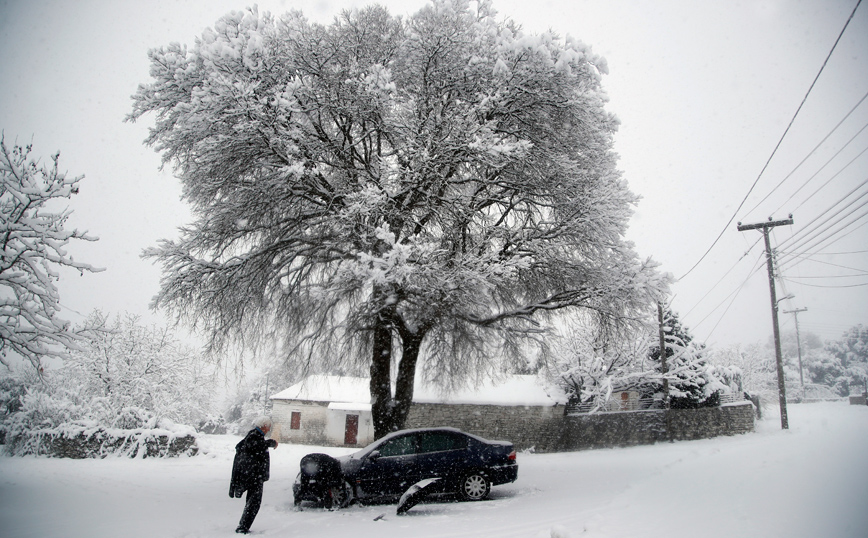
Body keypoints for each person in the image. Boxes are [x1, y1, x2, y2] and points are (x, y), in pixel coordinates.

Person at [230, 416, 279, 534]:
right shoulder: (254, 436)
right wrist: (270, 443)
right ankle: (243, 527)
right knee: (254, 502)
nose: (269, 429)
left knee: (253, 502)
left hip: (254, 475)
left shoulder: (256, 435)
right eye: (268, 427)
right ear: (264, 426)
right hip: (253, 476)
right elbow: (255, 446)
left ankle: (244, 525)